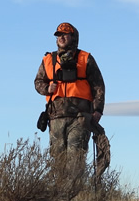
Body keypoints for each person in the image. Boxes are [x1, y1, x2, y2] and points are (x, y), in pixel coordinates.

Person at [34, 22, 105, 174]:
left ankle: (74, 195)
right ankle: (60, 196)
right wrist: (47, 88)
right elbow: (38, 82)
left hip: (80, 117)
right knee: (58, 159)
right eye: (59, 35)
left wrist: (98, 110)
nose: (61, 37)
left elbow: (98, 85)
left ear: (73, 37)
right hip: (55, 117)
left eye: (65, 34)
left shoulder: (86, 58)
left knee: (76, 159)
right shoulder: (48, 60)